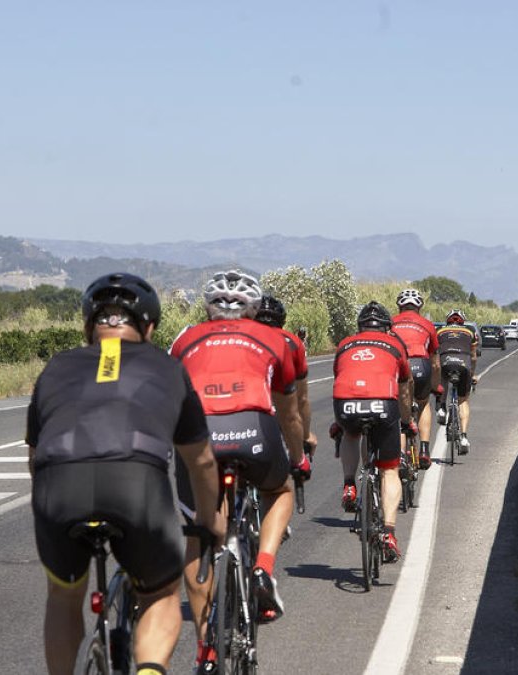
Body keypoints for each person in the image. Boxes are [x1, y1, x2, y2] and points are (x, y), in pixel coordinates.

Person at [27, 272, 222, 675]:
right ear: (149, 327)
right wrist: (208, 519)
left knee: (64, 596)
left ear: (87, 326)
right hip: (136, 484)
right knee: (162, 595)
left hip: (58, 484)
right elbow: (200, 460)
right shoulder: (168, 368)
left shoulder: (56, 367)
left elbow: (34, 455)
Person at [169, 270, 309, 659]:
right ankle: (263, 567)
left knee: (200, 533)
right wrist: (298, 460)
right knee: (278, 491)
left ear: (207, 307)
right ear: (256, 308)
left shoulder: (184, 338)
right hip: (254, 430)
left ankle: (205, 650)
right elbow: (290, 414)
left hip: (199, 437)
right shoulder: (274, 338)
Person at [332, 301, 413, 562]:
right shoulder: (396, 345)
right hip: (382, 403)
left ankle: (349, 485)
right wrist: (406, 420)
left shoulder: (345, 344)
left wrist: (340, 422)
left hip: (346, 402)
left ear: (360, 327)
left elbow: (341, 379)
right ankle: (388, 532)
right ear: (388, 328)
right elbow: (403, 389)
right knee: (390, 469)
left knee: (350, 434)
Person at [254, 294, 319, 456]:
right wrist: (305, 435)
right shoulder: (293, 341)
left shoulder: (242, 337)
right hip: (279, 409)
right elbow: (302, 399)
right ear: (282, 320)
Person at [390, 288, 441, 469]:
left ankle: (402, 456)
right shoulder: (427, 325)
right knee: (423, 403)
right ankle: (425, 451)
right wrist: (436, 386)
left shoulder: (390, 323)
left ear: (399, 306)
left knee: (399, 410)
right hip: (421, 364)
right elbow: (435, 363)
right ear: (419, 307)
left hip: (399, 365)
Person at [436, 309, 478, 453]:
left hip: (445, 361)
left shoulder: (440, 331)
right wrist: (472, 374)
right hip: (464, 363)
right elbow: (473, 357)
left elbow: (434, 353)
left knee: (441, 379)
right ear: (463, 321)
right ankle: (464, 437)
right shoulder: (470, 332)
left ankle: (441, 408)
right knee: (463, 400)